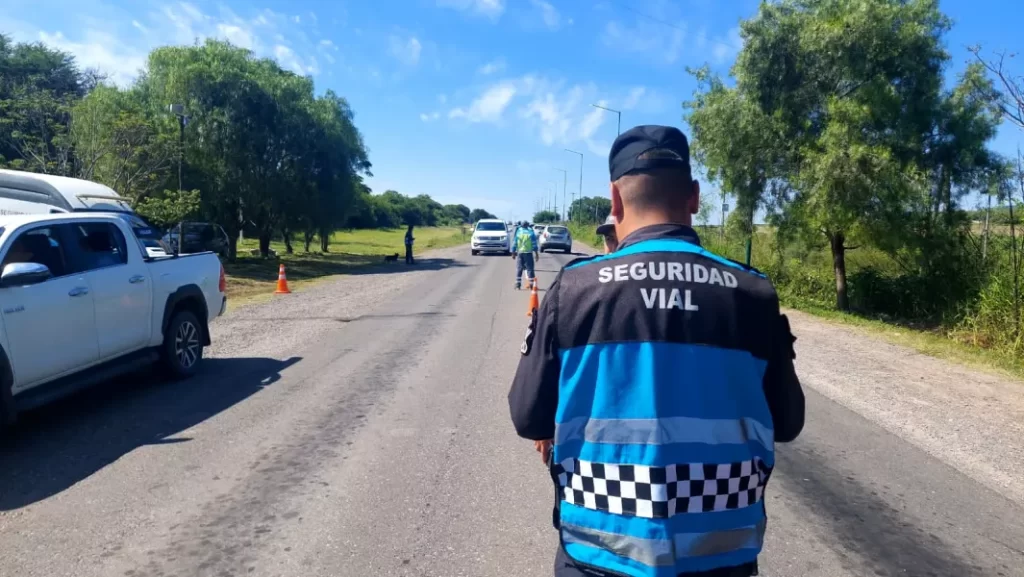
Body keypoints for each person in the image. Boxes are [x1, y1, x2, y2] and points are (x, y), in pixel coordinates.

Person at [508, 125, 805, 577]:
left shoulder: (575, 287)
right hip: (722, 555)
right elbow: (787, 422)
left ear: (615, 199)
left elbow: (528, 416)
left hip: (600, 552)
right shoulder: (753, 291)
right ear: (694, 196)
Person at [512, 220, 540, 290]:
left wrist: (513, 253)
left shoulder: (518, 233)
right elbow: (534, 245)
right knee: (530, 269)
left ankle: (518, 284)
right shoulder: (531, 233)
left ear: (521, 226)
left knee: (519, 268)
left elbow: (514, 243)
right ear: (527, 226)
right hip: (528, 253)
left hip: (520, 253)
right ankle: (531, 284)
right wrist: (536, 254)